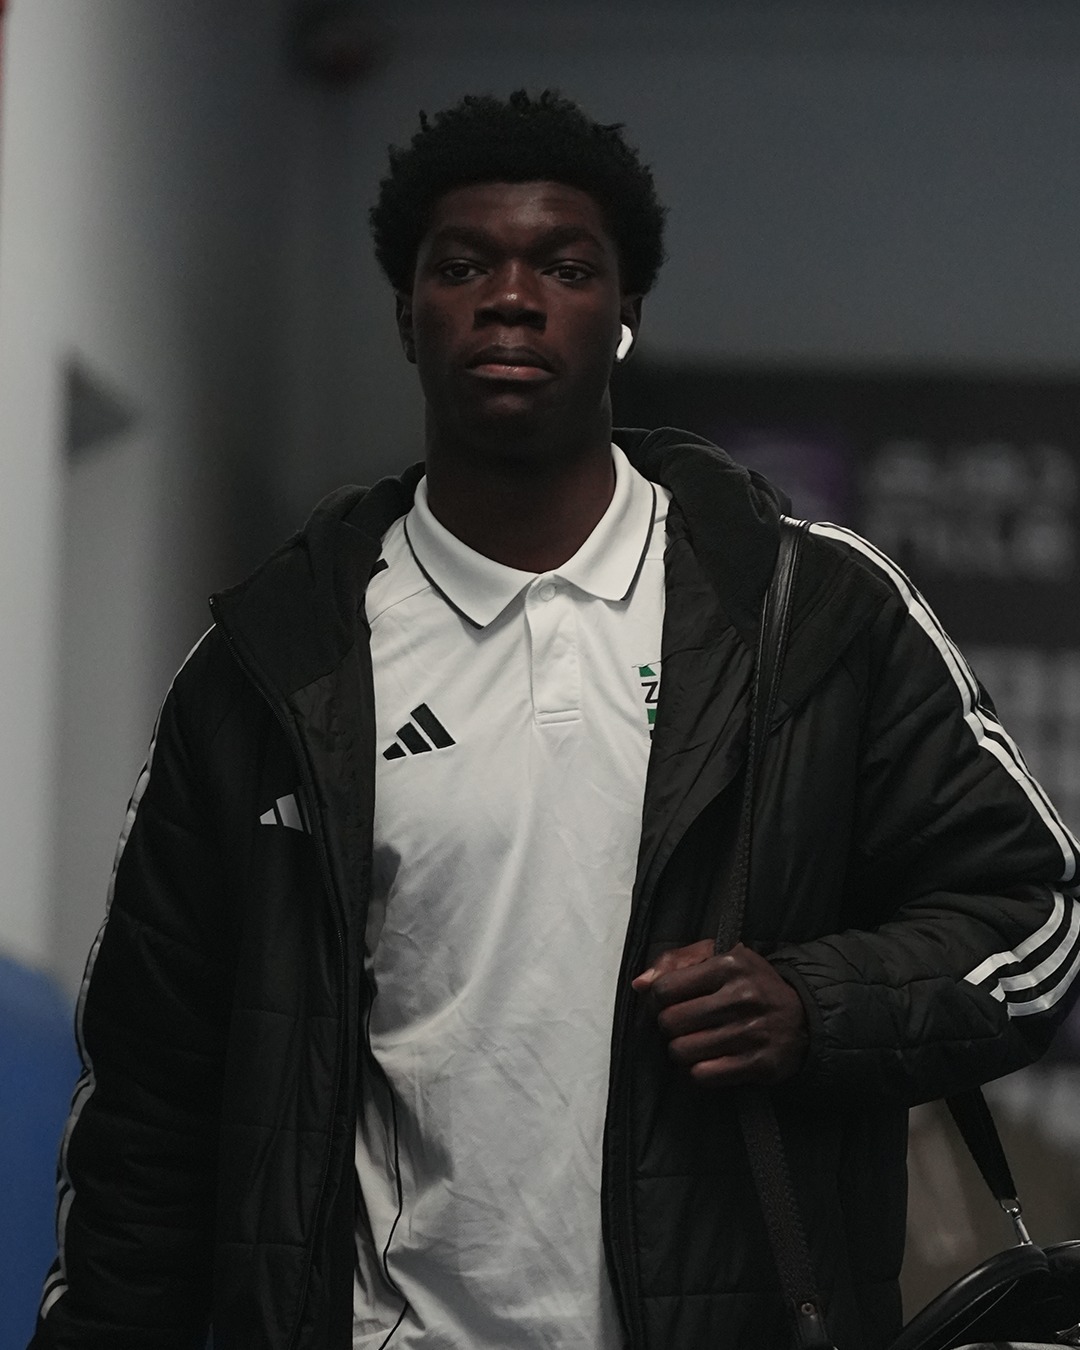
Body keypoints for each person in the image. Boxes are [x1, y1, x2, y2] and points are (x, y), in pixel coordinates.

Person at [29, 90, 1080, 1350]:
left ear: (625, 314)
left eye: (567, 268)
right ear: (406, 314)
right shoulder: (276, 667)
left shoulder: (808, 614)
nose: (512, 299)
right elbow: (152, 1092)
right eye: (463, 266)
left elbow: (1036, 912)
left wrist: (814, 1005)